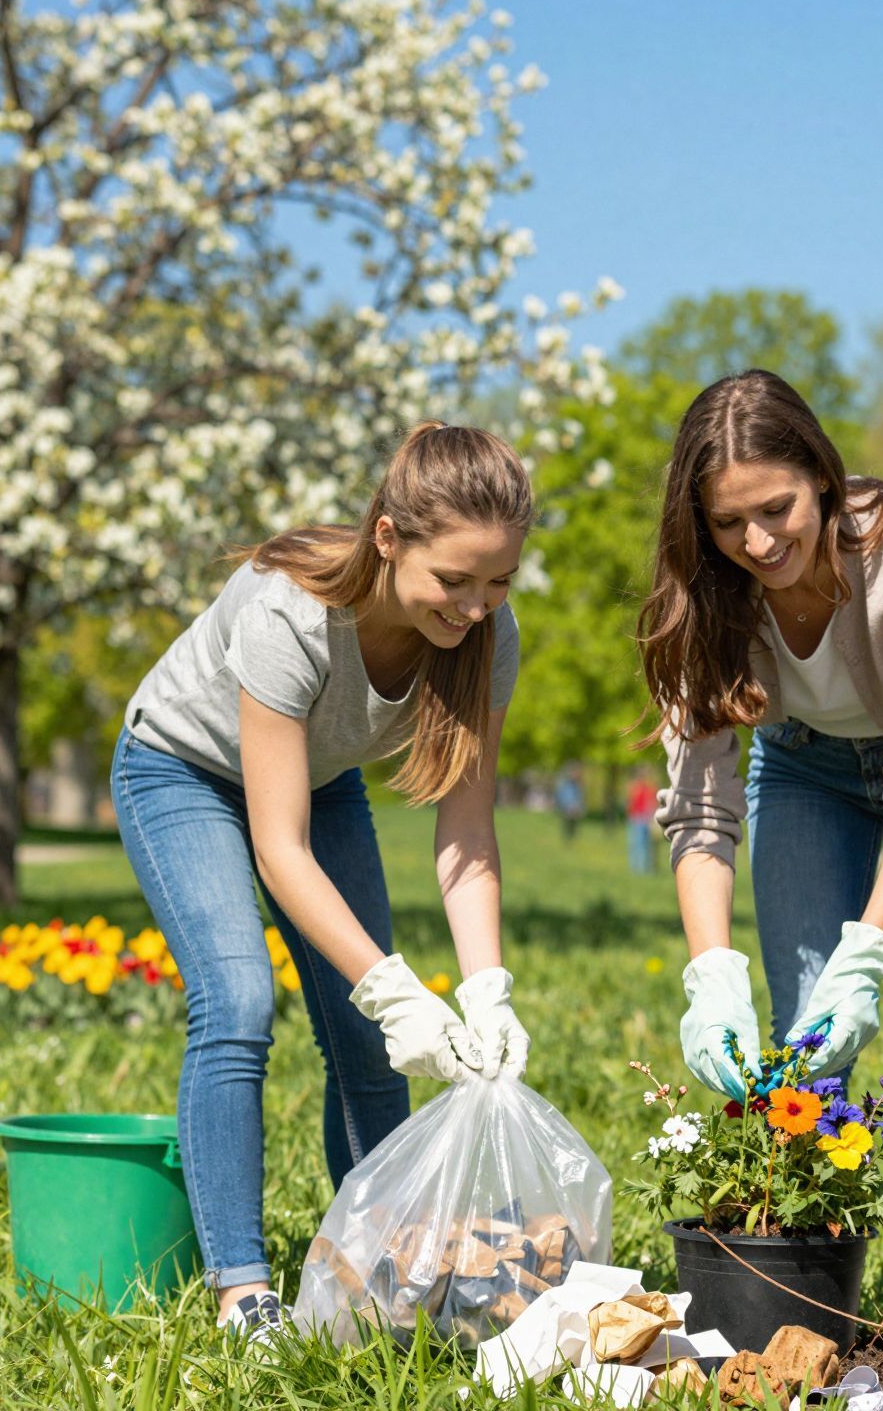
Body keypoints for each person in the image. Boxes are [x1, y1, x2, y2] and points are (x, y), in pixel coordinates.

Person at [113, 422, 535, 1343]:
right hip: (178, 770)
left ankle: (371, 1263)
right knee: (238, 999)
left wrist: (484, 987)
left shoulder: (487, 638)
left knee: (361, 1032)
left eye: (498, 579)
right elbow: (280, 849)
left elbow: (466, 828)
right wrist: (397, 987)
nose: (474, 605)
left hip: (318, 776)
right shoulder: (289, 613)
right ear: (388, 537)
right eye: (452, 579)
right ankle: (242, 1286)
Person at [642, 370, 883, 1343]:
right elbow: (698, 806)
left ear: (819, 475)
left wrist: (871, 952)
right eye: (730, 524)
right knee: (805, 1041)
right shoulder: (703, 596)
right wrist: (707, 972)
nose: (759, 543)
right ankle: (810, 1294)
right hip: (806, 771)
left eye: (776, 509)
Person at [626, 767, 660, 874]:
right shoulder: (635, 787)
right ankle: (638, 869)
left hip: (646, 818)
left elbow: (654, 803)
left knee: (645, 845)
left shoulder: (650, 787)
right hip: (637, 818)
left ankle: (644, 868)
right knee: (638, 844)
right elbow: (631, 802)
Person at [555, 763, 585, 843]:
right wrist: (566, 806)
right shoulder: (565, 784)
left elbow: (581, 798)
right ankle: (567, 839)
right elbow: (561, 797)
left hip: (575, 809)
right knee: (567, 825)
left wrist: (579, 807)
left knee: (574, 826)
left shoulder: (578, 785)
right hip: (567, 808)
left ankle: (572, 839)